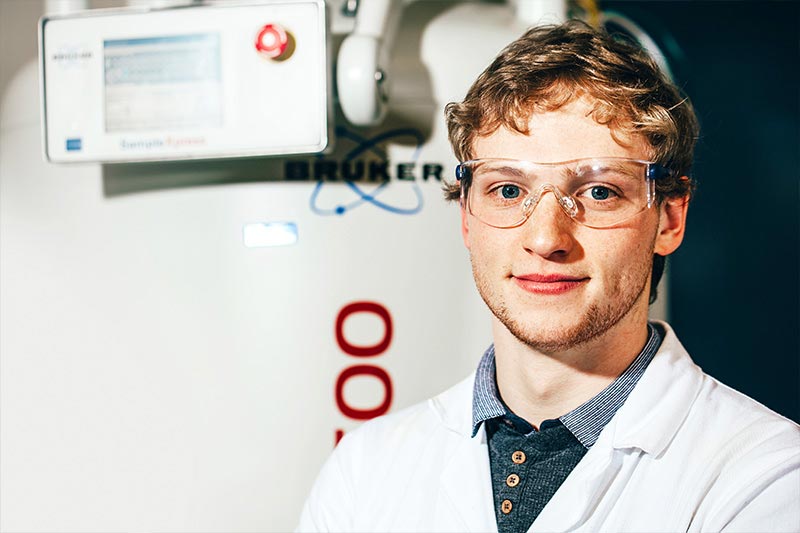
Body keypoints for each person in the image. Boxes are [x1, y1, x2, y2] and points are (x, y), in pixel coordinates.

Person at [297, 20, 800, 533]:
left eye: (600, 192)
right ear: (467, 218)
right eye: (509, 190)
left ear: (669, 218)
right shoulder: (364, 473)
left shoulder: (766, 479)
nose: (545, 238)